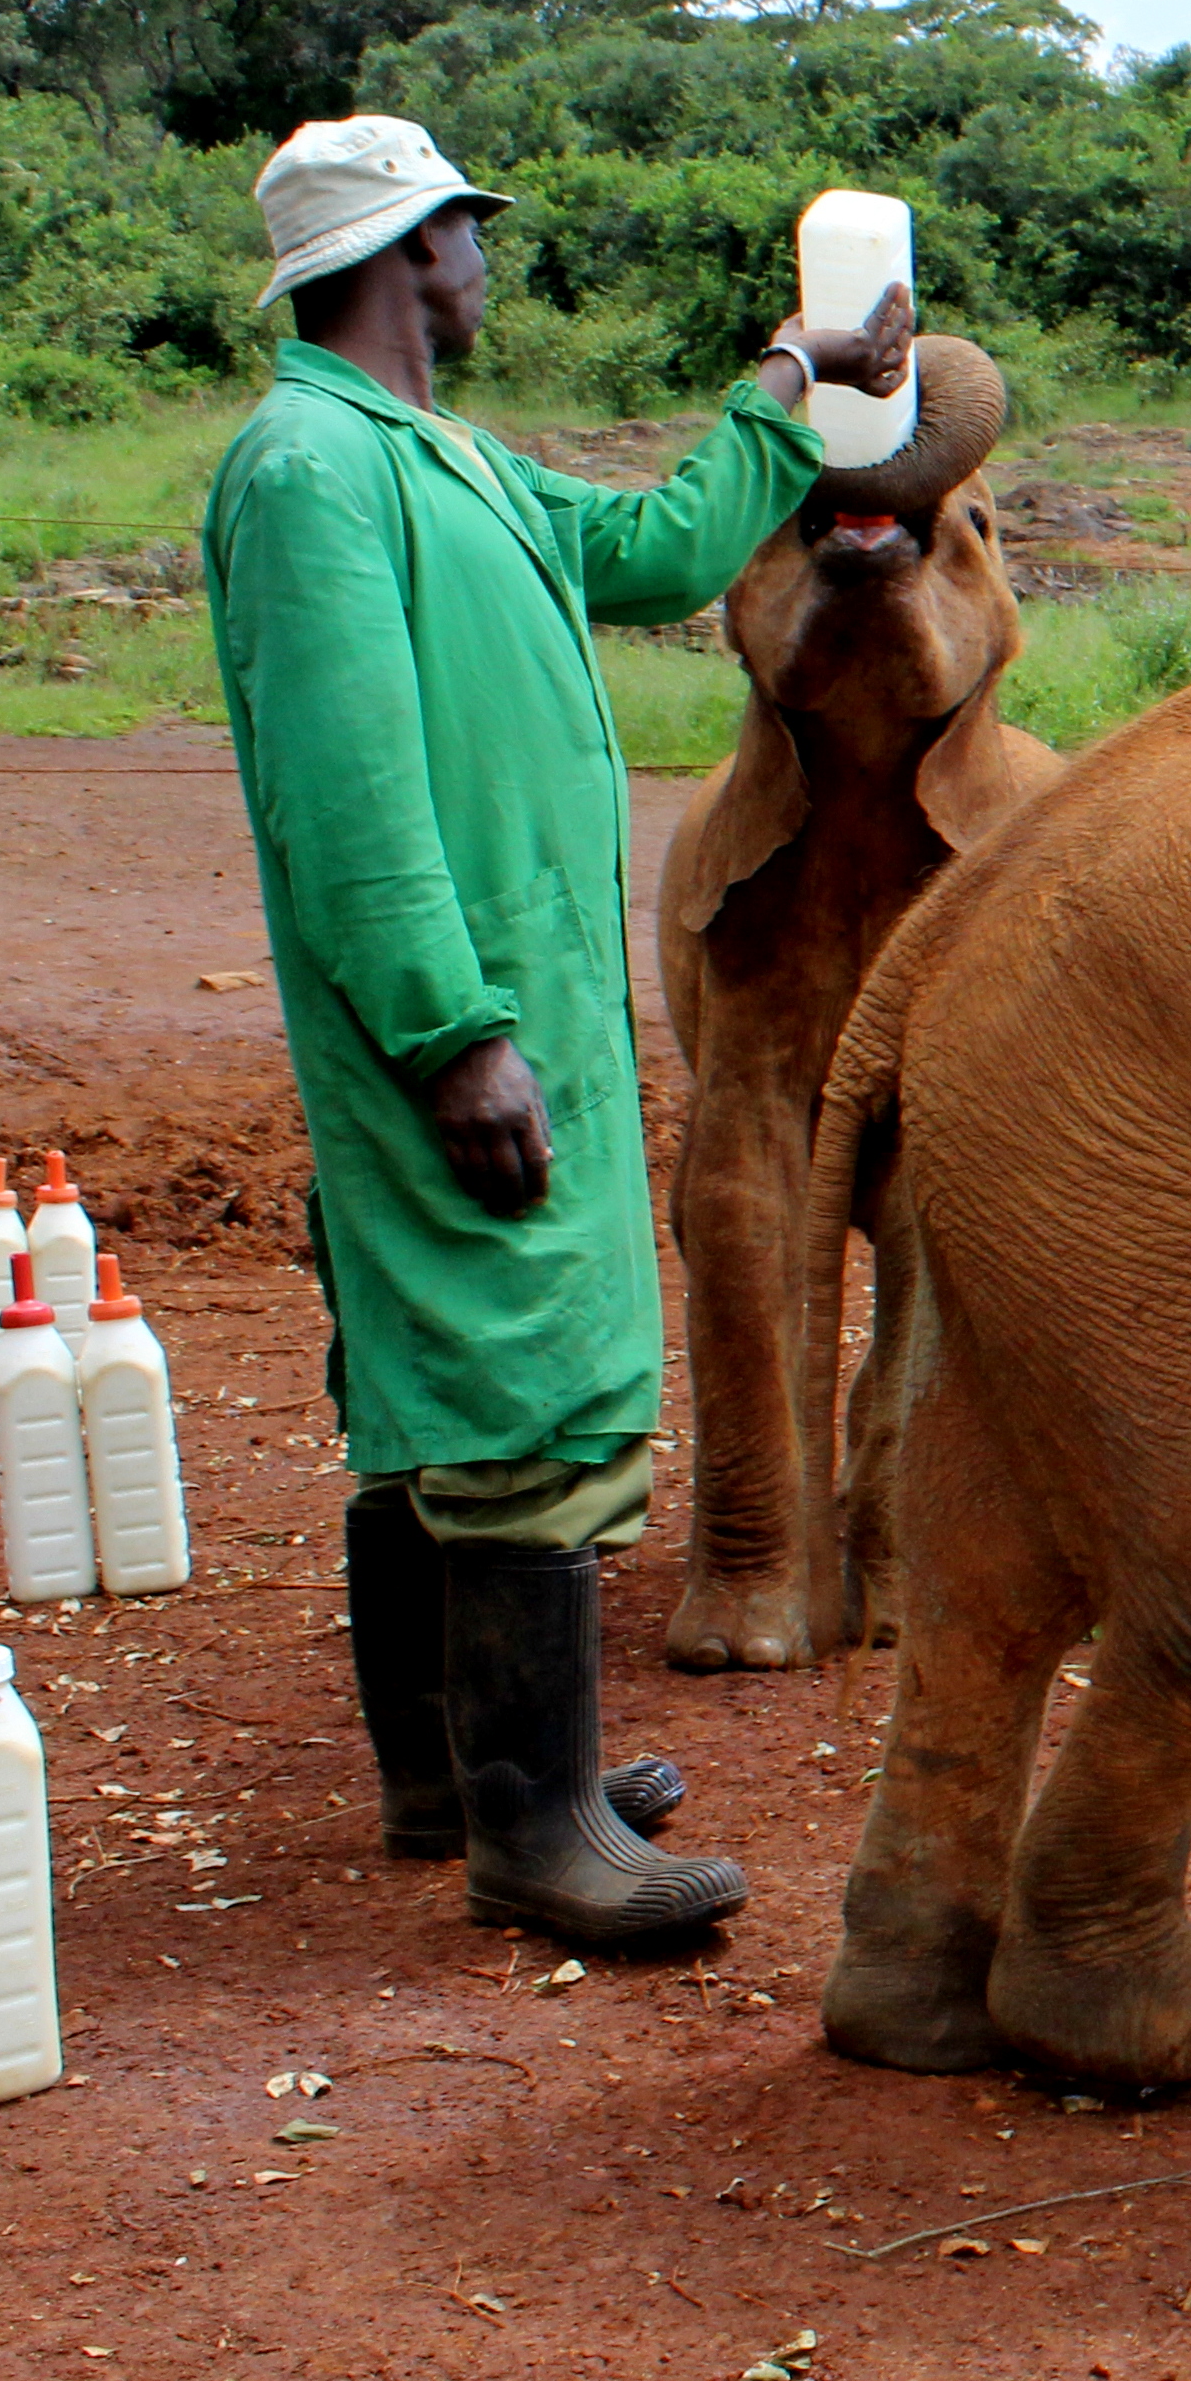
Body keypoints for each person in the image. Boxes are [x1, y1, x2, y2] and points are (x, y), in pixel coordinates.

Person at [204, 115, 913, 1948]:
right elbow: (345, 793)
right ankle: (541, 1833)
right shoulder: (309, 473)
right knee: (515, 1379)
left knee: (449, 1380)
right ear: (407, 247)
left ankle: (461, 1770)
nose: (489, 259)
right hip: (453, 1012)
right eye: (469, 230)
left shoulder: (439, 457)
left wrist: (793, 376)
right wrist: (450, 1032)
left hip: (507, 998)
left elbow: (663, 550)